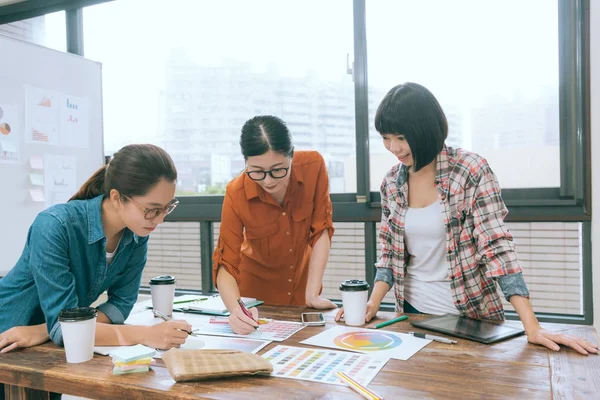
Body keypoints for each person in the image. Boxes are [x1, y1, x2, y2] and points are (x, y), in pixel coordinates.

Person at [336, 83, 598, 355]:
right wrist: (372, 304)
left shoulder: (469, 170)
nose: (393, 147)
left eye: (401, 137)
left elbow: (496, 246)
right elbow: (389, 251)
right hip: (412, 316)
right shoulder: (392, 181)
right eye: (386, 137)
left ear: (425, 130)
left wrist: (532, 326)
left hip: (472, 318)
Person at [0, 144, 192, 353]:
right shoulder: (53, 226)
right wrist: (146, 334)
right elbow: (67, 330)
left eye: (167, 208)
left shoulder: (137, 232)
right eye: (151, 210)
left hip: (49, 345)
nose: (160, 219)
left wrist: (46, 330)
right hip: (9, 340)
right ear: (117, 197)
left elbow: (121, 304)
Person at [213, 115, 336, 334]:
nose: (268, 181)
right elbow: (226, 262)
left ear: (291, 155)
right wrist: (237, 310)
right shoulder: (236, 192)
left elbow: (321, 230)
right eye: (257, 171)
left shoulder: (313, 166)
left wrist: (312, 292)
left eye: (278, 169)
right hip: (255, 303)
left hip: (302, 296)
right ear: (245, 162)